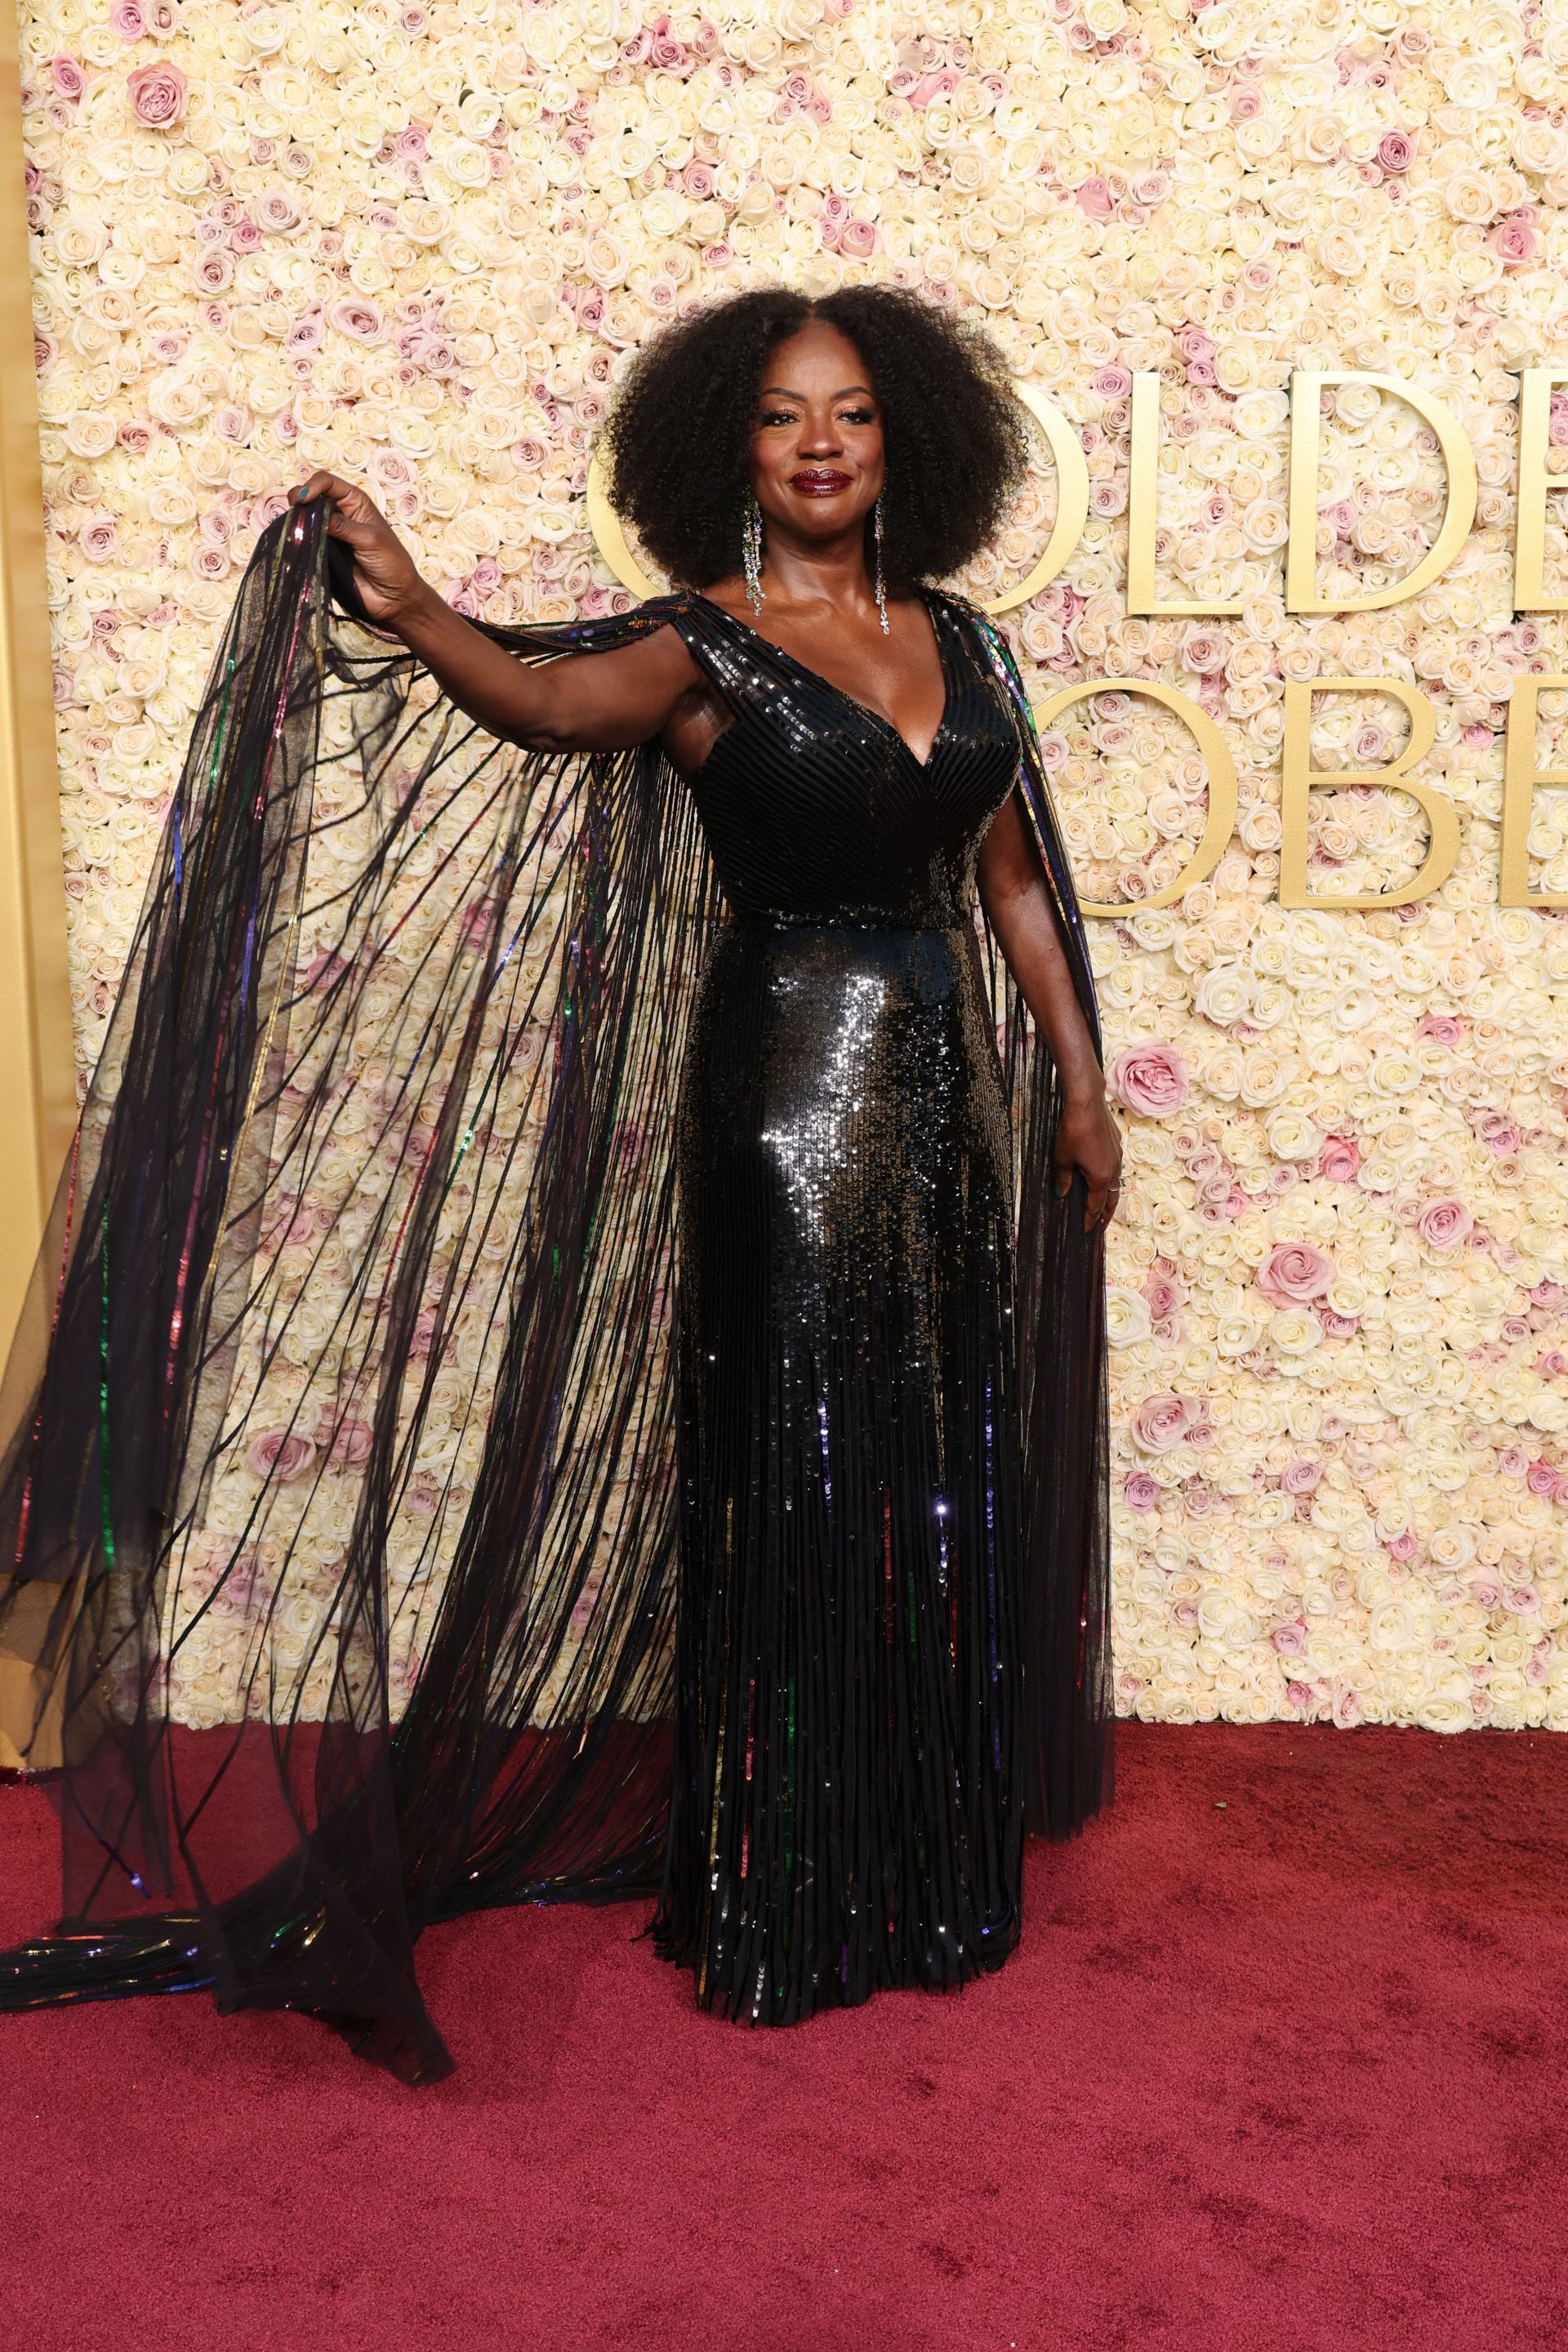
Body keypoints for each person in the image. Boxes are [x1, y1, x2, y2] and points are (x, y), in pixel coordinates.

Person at [0, 285, 1117, 2079]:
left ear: (907, 434)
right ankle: (786, 1892)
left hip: (939, 1106)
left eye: (849, 412)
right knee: (800, 1464)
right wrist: (424, 600)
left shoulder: (965, 639)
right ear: (724, 449)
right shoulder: (700, 645)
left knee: (920, 1471)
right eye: (777, 415)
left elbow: (1006, 889)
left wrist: (1074, 1082)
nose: (819, 442)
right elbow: (537, 700)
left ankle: (917, 1867)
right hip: (780, 1100)